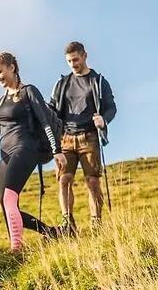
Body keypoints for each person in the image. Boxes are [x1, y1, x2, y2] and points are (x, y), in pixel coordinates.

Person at [0, 52, 62, 252]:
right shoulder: (1, 101)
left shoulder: (28, 91)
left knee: (9, 198)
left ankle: (16, 248)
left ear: (12, 67)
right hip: (5, 155)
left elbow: (45, 120)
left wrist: (56, 150)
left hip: (25, 148)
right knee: (5, 206)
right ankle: (51, 232)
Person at [49, 41, 117, 234]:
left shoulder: (98, 81)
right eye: (69, 61)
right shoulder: (62, 84)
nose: (72, 64)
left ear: (85, 56)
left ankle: (96, 223)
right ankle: (67, 224)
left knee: (92, 181)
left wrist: (104, 120)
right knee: (64, 179)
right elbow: (52, 108)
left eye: (75, 60)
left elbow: (111, 107)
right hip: (66, 139)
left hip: (90, 138)